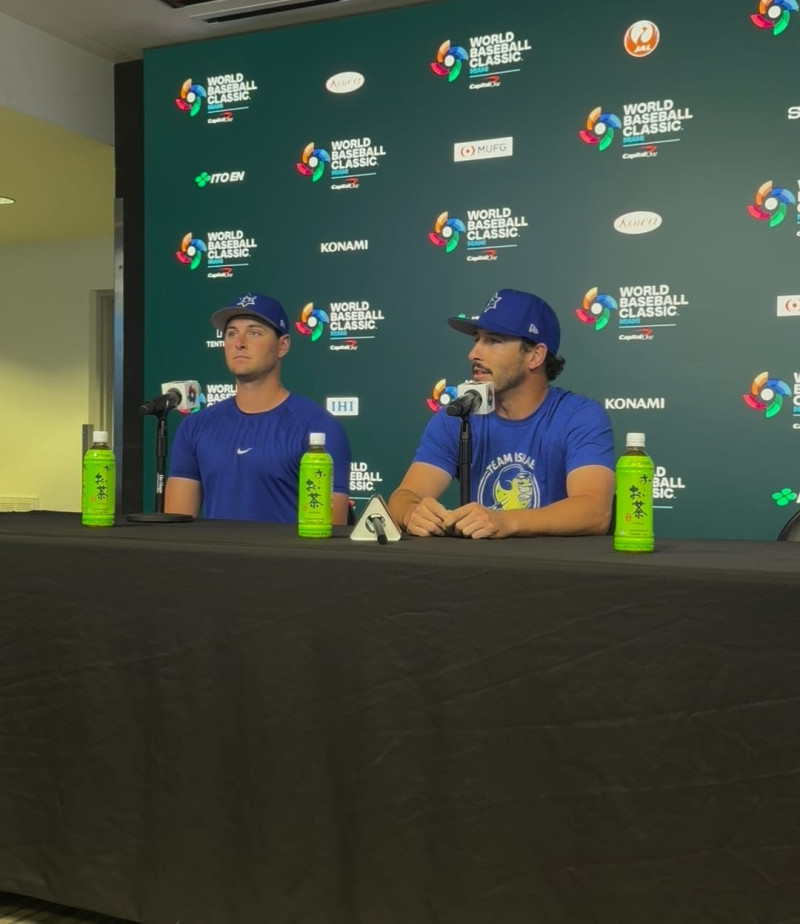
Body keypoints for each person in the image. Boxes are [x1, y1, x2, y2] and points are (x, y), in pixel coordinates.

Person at [388, 288, 615, 539]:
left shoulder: (578, 416)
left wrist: (506, 521)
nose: (473, 354)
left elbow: (595, 512)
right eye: (477, 339)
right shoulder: (457, 415)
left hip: (557, 571)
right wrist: (412, 513)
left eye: (493, 341)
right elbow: (403, 496)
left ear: (535, 355)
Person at [164, 292, 351, 523]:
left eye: (254, 332)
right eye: (232, 333)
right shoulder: (195, 427)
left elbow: (329, 534)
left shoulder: (319, 428)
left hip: (288, 559)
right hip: (213, 558)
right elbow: (178, 530)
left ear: (282, 346)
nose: (239, 343)